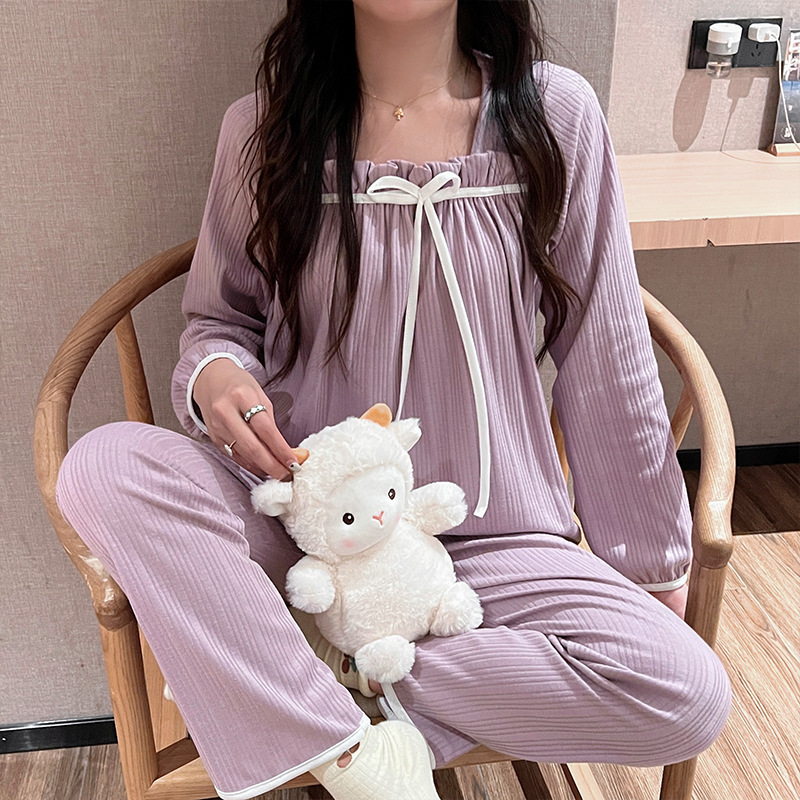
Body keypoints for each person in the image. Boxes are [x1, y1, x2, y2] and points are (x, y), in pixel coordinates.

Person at [55, 1, 733, 799]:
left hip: (492, 544)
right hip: (307, 535)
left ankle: (321, 670)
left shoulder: (554, 118)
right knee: (103, 466)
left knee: (685, 692)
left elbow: (605, 349)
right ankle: (345, 734)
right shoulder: (264, 131)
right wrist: (216, 375)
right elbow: (219, 319)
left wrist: (648, 563)